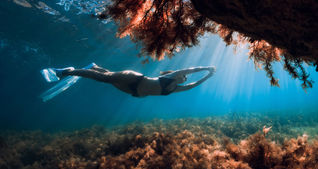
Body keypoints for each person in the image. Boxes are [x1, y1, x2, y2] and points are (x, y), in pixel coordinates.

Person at [41, 63, 216, 98]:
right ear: (178, 74)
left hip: (133, 91)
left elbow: (192, 86)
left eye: (184, 78)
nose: (184, 78)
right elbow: (191, 70)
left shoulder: (174, 89)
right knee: (104, 79)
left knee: (108, 77)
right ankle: (66, 71)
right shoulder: (171, 76)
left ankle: (94, 66)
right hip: (134, 78)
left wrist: (208, 77)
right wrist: (207, 69)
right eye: (183, 76)